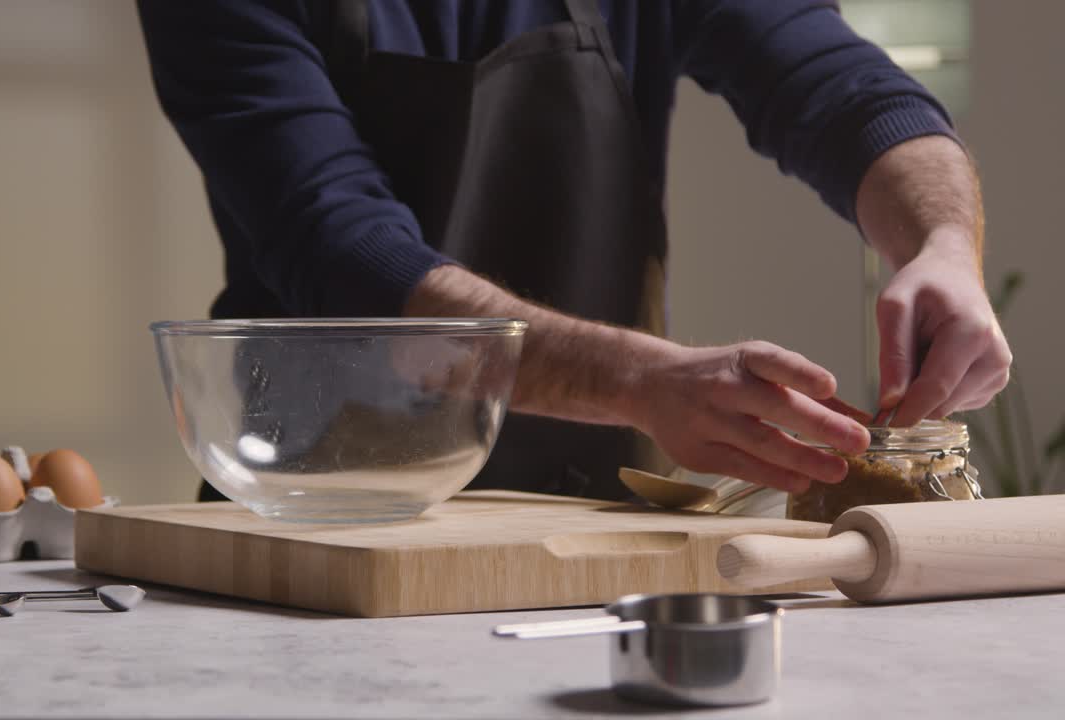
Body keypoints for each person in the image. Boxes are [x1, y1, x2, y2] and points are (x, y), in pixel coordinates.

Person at [136, 1, 1012, 501]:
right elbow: (344, 249)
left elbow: (850, 93)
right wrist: (640, 381)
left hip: (599, 513)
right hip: (315, 518)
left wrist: (940, 244)